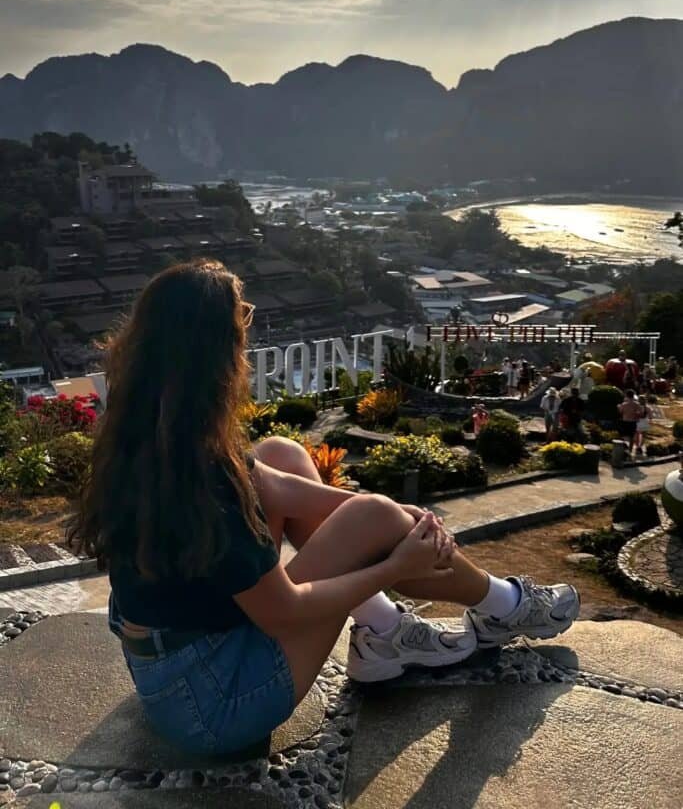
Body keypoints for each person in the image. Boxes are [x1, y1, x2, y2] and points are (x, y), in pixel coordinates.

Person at [67, 262, 580, 756]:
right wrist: (392, 563)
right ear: (214, 352)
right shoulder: (205, 482)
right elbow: (285, 610)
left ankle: (383, 630)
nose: (248, 326)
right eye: (241, 318)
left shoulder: (153, 434)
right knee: (372, 518)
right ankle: (505, 608)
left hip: (175, 665)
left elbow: (280, 485)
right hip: (212, 704)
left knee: (283, 454)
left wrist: (400, 513)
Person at [618, 389, 641, 454]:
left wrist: (619, 407)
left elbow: (620, 412)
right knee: (631, 437)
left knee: (622, 436)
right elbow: (640, 413)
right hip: (633, 422)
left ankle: (623, 449)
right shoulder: (637, 404)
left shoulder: (624, 404)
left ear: (626, 395)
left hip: (625, 421)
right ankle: (630, 451)